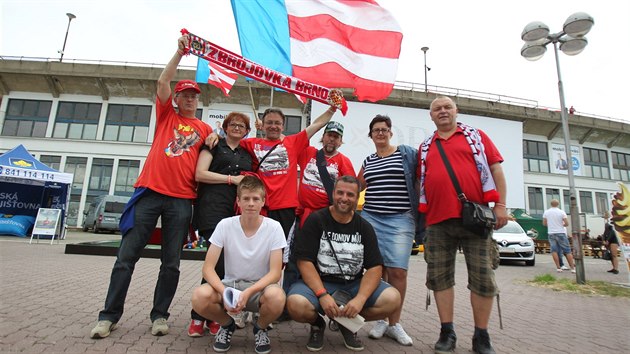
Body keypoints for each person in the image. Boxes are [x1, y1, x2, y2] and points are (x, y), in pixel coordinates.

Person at [90, 35, 213, 339]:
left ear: (198, 100)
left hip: (182, 200)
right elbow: (162, 81)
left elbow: (213, 155)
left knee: (171, 263)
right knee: (126, 257)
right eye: (184, 94)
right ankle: (108, 316)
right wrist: (179, 52)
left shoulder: (205, 129)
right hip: (150, 194)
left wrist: (215, 140)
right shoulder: (166, 115)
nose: (189, 99)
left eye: (193, 96)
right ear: (176, 99)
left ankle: (160, 315)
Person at [209, 106, 338, 297]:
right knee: (253, 256)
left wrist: (332, 108)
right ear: (262, 125)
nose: (273, 126)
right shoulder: (252, 143)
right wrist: (214, 137)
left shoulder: (293, 142)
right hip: (260, 209)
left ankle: (269, 298)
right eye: (269, 122)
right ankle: (245, 298)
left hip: (284, 209)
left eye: (277, 123)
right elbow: (231, 142)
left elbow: (317, 125)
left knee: (278, 258)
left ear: (283, 125)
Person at [417, 96, 508, 354]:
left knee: (483, 278)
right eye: (437, 108)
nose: (443, 111)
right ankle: (447, 332)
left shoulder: (476, 136)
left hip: (475, 220)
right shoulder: (426, 146)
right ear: (431, 116)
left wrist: (500, 206)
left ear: (456, 111)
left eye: (447, 107)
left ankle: (482, 336)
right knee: (439, 279)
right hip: (436, 221)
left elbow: (496, 170)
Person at [287, 175, 401, 352]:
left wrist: (360, 299)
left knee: (393, 300)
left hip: (353, 284)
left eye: (350, 195)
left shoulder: (364, 227)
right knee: (295, 304)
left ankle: (346, 321)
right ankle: (317, 325)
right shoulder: (316, 220)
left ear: (357, 198)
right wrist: (322, 294)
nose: (344, 198)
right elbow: (304, 262)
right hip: (320, 281)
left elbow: (374, 267)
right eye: (340, 193)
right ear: (333, 194)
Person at [190, 175, 287, 354]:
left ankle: (260, 328)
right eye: (246, 199)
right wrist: (224, 292)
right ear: (238, 201)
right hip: (231, 285)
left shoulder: (274, 227)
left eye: (255, 199)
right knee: (199, 296)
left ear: (263, 201)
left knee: (277, 297)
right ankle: (226, 325)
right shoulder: (225, 225)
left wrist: (249, 292)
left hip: (259, 288)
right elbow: (208, 268)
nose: (251, 203)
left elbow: (275, 273)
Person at [188, 112, 253, 337]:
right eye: (232, 124)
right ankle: (199, 317)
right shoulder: (214, 145)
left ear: (247, 131)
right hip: (212, 208)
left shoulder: (247, 153)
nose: (237, 128)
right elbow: (199, 173)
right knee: (215, 262)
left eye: (241, 125)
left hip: (235, 212)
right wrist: (230, 179)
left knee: (223, 266)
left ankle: (211, 316)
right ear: (225, 128)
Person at [357, 115, 418, 346]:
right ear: (371, 135)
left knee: (398, 272)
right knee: (376, 270)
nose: (380, 133)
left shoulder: (404, 154)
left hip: (401, 220)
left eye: (384, 129)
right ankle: (380, 319)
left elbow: (420, 181)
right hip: (371, 218)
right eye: (376, 130)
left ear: (390, 132)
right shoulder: (369, 160)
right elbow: (357, 185)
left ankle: (394, 323)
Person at [297, 121, 356, 228]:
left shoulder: (344, 161)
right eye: (329, 135)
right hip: (303, 215)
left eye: (336, 137)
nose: (332, 139)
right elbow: (291, 141)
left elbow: (352, 191)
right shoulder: (308, 152)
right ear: (323, 137)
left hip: (327, 217)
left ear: (340, 141)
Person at [542, 199, 576, 273]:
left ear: (550, 204)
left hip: (551, 233)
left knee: (554, 250)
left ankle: (558, 267)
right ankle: (572, 268)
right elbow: (567, 223)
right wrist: (561, 224)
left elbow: (544, 223)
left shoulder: (546, 212)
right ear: (558, 204)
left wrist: (551, 225)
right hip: (561, 232)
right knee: (567, 250)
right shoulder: (561, 212)